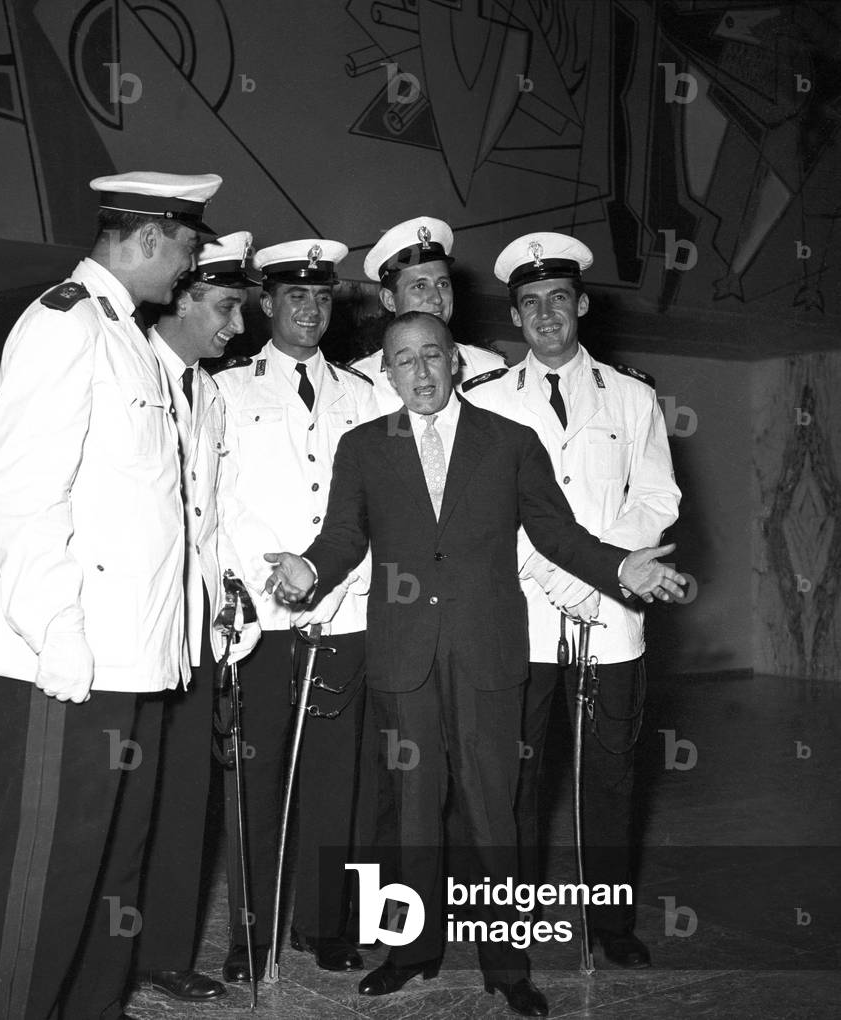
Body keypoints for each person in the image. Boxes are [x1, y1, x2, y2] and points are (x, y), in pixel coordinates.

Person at [264, 311, 687, 1014]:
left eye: (432, 355)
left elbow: (555, 533)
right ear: (388, 372)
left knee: (495, 813)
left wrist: (619, 569)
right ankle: (409, 948)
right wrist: (308, 568)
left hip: (489, 655)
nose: (420, 372)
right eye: (403, 360)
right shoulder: (363, 446)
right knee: (409, 812)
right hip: (403, 657)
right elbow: (342, 535)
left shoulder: (508, 441)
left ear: (455, 363)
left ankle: (507, 966)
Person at [0, 170, 221, 1020]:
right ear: (147, 238)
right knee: (49, 870)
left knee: (113, 859)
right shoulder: (65, 322)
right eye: (187, 248)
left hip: (135, 658)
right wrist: (55, 626)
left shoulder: (134, 340)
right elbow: (16, 490)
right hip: (67, 658)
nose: (191, 270)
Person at [493, 232, 681, 968]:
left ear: (581, 305)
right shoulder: (485, 403)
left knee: (608, 774)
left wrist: (606, 571)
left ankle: (608, 924)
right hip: (527, 618)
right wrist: (564, 572)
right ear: (514, 317)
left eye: (558, 300)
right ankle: (509, 921)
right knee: (519, 778)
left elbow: (657, 493)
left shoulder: (632, 395)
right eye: (530, 304)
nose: (545, 315)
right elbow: (487, 512)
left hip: (612, 622)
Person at [212, 238, 380, 979]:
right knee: (254, 782)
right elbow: (215, 503)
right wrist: (270, 574)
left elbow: (378, 504)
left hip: (342, 616)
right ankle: (249, 936)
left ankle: (324, 923)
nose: (309, 310)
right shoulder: (225, 389)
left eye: (321, 297)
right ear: (266, 304)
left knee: (333, 783)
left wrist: (325, 581)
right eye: (294, 297)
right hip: (260, 622)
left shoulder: (364, 394)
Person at [136, 231, 260, 1002]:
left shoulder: (207, 391)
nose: (235, 327)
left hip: (191, 635)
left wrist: (226, 606)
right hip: (124, 633)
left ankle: (163, 951)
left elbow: (210, 520)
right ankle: (101, 956)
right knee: (121, 804)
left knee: (185, 798)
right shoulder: (124, 368)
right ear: (179, 297)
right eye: (222, 307)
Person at [349, 215, 510, 414]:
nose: (436, 298)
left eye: (442, 284)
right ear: (389, 300)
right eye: (420, 286)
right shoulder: (359, 382)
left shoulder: (490, 370)